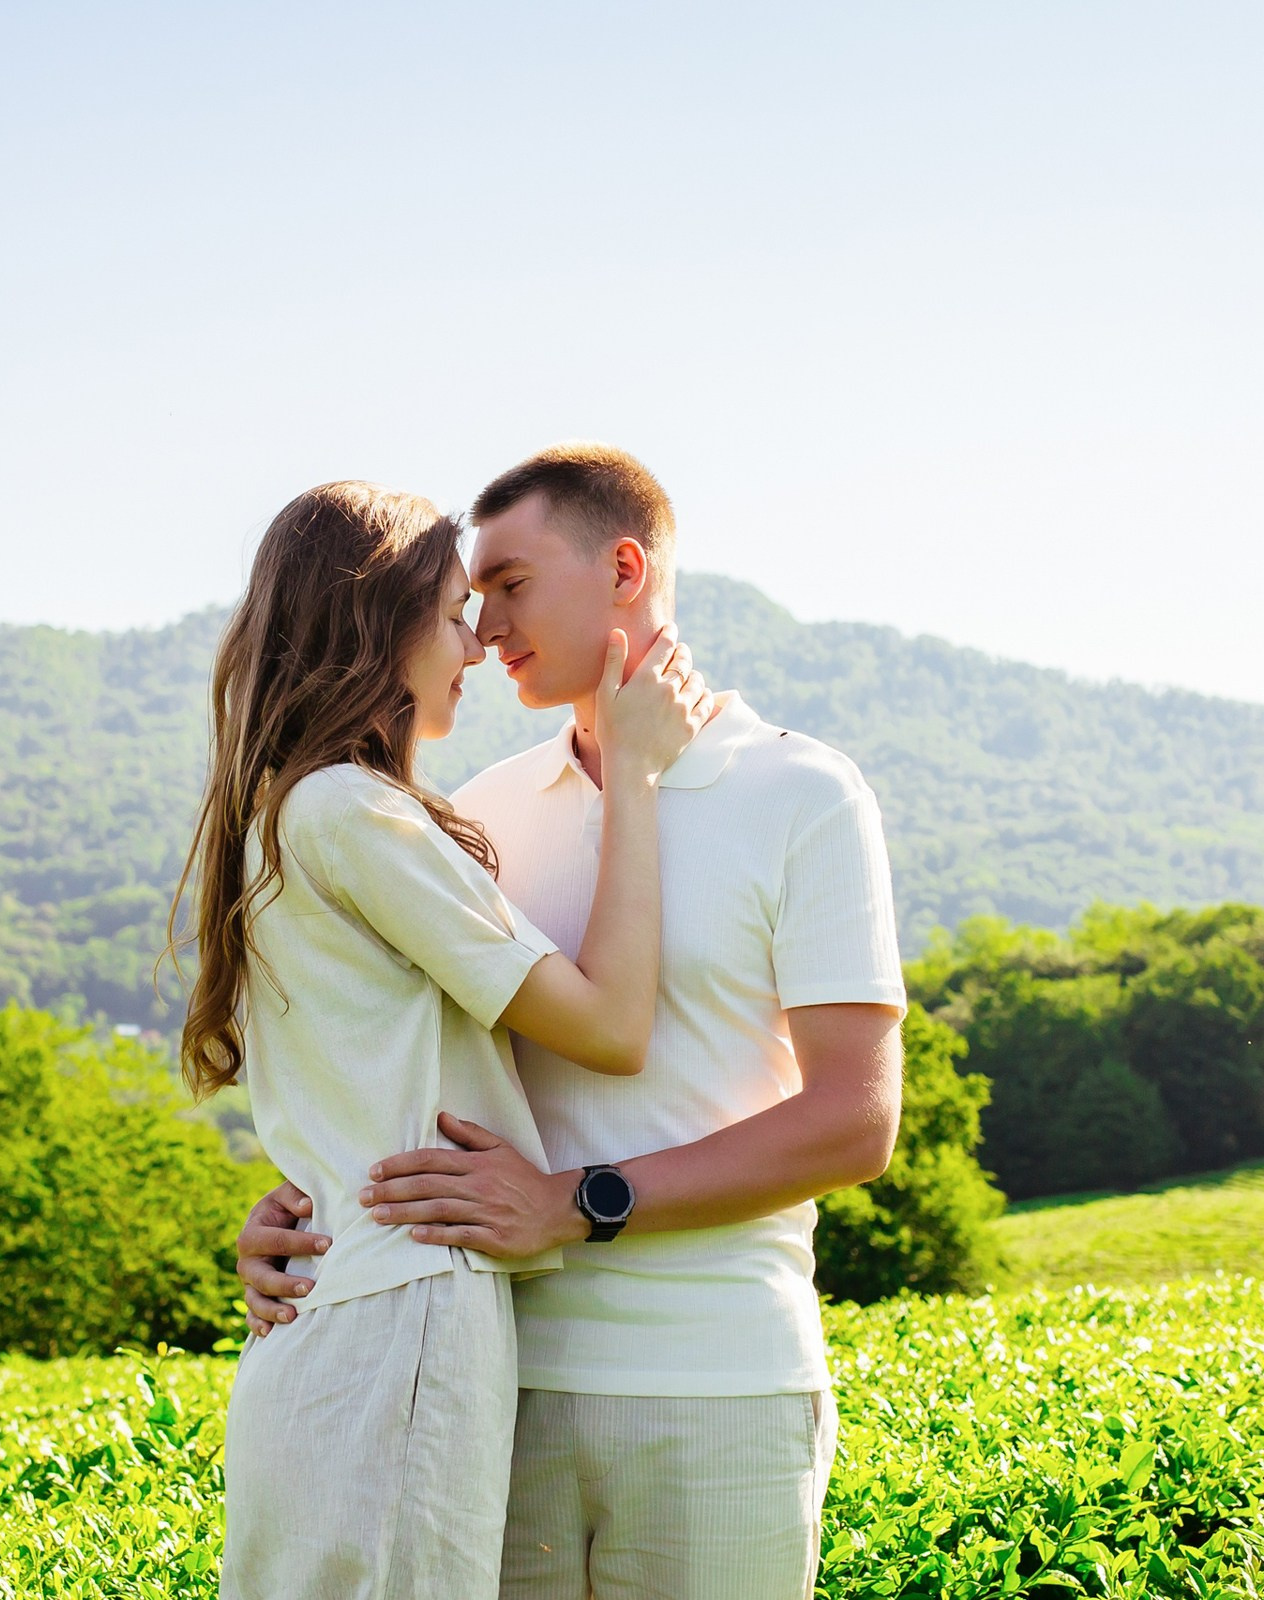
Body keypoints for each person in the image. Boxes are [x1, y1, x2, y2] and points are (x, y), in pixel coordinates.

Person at [235, 445, 907, 1600]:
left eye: (509, 583)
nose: (486, 626)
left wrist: (576, 1202)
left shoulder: (805, 792)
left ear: (625, 569)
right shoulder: (470, 810)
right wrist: (312, 1209)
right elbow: (398, 1049)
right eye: (469, 597)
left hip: (719, 1379)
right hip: (498, 1383)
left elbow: (853, 1121)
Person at [175, 480, 713, 1600]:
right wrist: (637, 773)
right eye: (455, 609)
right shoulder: (356, 813)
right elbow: (613, 1027)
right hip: (409, 1312)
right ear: (381, 623)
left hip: (333, 1319)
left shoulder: (285, 813)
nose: (476, 642)